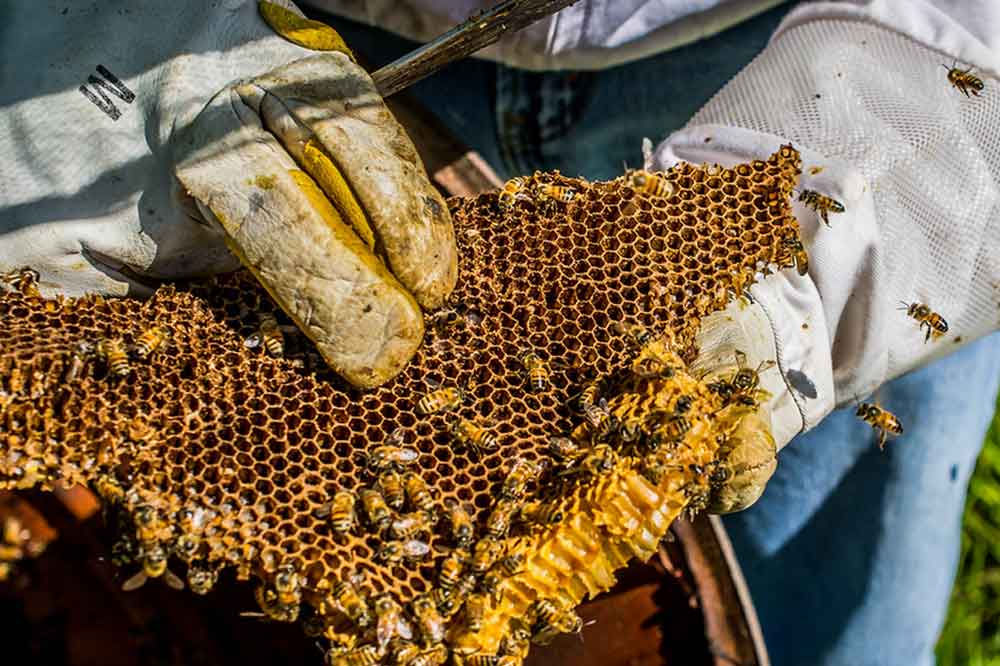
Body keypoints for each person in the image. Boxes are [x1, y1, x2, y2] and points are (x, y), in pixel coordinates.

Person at [2, 1, 998, 663]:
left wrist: (845, 240)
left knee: (826, 591)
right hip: (300, 33)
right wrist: (91, 32)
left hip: (839, 58)